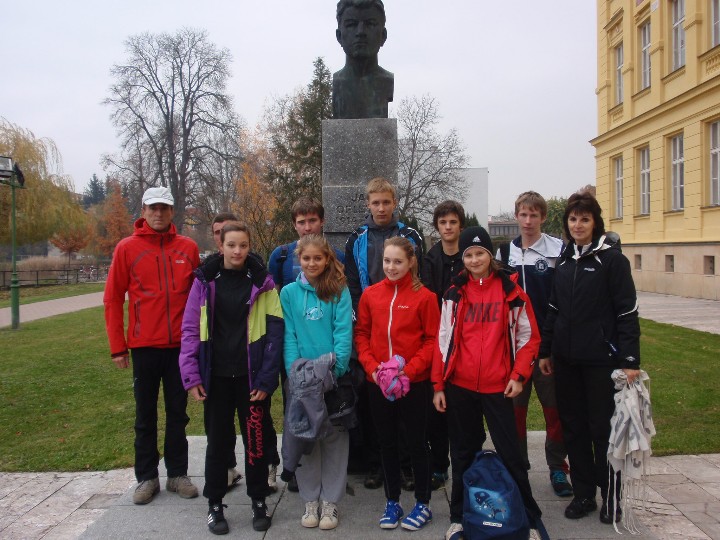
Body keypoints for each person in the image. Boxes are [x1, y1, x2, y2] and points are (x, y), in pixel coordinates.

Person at [432, 226, 544, 540]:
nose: (474, 260)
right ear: (463, 258)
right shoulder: (454, 293)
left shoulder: (511, 291)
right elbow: (442, 341)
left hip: (498, 386)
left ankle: (529, 518)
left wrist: (518, 376)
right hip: (461, 386)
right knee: (462, 453)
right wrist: (438, 385)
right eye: (468, 254)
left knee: (512, 454)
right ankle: (458, 517)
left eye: (480, 253)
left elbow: (529, 338)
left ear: (490, 255)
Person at [538, 191, 641, 524]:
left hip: (601, 361)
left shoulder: (612, 260)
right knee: (574, 429)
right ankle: (584, 494)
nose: (578, 225)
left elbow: (627, 311)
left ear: (595, 222)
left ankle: (611, 496)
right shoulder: (565, 260)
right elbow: (553, 308)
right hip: (567, 361)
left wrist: (629, 360)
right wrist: (545, 350)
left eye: (584, 219)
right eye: (573, 219)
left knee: (603, 430)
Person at [178, 222, 284, 535]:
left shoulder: (263, 283)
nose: (237, 251)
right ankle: (214, 503)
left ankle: (258, 500)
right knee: (218, 443)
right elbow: (190, 329)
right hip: (216, 377)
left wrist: (266, 379)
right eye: (231, 245)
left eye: (243, 245)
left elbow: (275, 333)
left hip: (251, 380)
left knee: (255, 443)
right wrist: (191, 375)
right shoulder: (204, 282)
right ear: (221, 246)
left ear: (249, 247)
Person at [103, 186, 200, 506]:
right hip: (144, 346)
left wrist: (200, 342)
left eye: (164, 208)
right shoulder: (127, 248)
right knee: (145, 415)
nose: (158, 213)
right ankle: (146, 477)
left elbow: (199, 298)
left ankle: (177, 474)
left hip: (180, 348)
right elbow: (113, 298)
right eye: (153, 208)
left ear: (172, 211)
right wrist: (118, 346)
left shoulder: (187, 247)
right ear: (144, 211)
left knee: (178, 414)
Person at [355, 236, 439, 531]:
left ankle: (423, 503)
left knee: (416, 442)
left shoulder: (425, 297)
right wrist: (374, 369)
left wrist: (408, 372)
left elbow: (432, 340)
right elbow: (361, 335)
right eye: (387, 261)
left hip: (413, 383)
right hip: (378, 383)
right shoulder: (370, 295)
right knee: (386, 442)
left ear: (411, 262)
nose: (391, 267)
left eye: (398, 262)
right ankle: (392, 501)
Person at [345, 177, 424, 489]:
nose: (381, 208)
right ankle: (377, 464)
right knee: (373, 402)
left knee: (404, 399)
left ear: (394, 203)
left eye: (386, 202)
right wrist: (361, 317)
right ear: (367, 204)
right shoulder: (356, 239)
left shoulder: (410, 236)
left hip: (404, 323)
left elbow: (419, 277)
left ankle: (405, 465)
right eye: (375, 202)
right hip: (373, 321)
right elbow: (352, 284)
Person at [496, 191, 573, 497]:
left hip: (546, 350)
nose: (528, 221)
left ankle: (557, 467)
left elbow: (562, 301)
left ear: (543, 217)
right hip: (514, 351)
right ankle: (518, 468)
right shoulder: (505, 253)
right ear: (516, 216)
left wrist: (550, 346)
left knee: (555, 411)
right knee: (515, 414)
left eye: (534, 215)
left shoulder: (557, 250)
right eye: (523, 215)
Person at [267, 197, 345, 492]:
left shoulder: (337, 259)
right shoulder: (281, 257)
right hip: (297, 359)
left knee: (331, 417)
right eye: (302, 222)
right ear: (294, 225)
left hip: (328, 359)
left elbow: (342, 317)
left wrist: (337, 363)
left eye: (313, 220)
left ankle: (332, 476)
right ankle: (298, 468)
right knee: (297, 414)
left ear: (322, 222)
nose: (308, 226)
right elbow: (278, 306)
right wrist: (292, 366)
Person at [279, 234, 353, 531]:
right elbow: (289, 335)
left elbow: (343, 333)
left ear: (327, 260)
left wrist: (336, 370)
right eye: (306, 258)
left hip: (331, 377)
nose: (312, 263)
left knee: (334, 439)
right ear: (299, 259)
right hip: (301, 379)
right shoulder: (288, 293)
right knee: (305, 437)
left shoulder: (338, 289)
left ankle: (330, 501)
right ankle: (310, 499)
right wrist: (296, 373)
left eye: (317, 258)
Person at [420, 200, 466, 490]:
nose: (448, 227)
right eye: (443, 223)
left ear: (460, 225)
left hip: (468, 339)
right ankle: (439, 464)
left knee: (461, 407)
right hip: (438, 338)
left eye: (453, 222)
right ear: (437, 226)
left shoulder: (469, 255)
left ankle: (465, 462)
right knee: (436, 406)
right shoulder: (431, 259)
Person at [333, 0, 393, 119]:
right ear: (339, 36)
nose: (360, 32)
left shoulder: (387, 81)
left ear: (383, 36)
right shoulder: (337, 83)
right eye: (351, 25)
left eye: (370, 24)